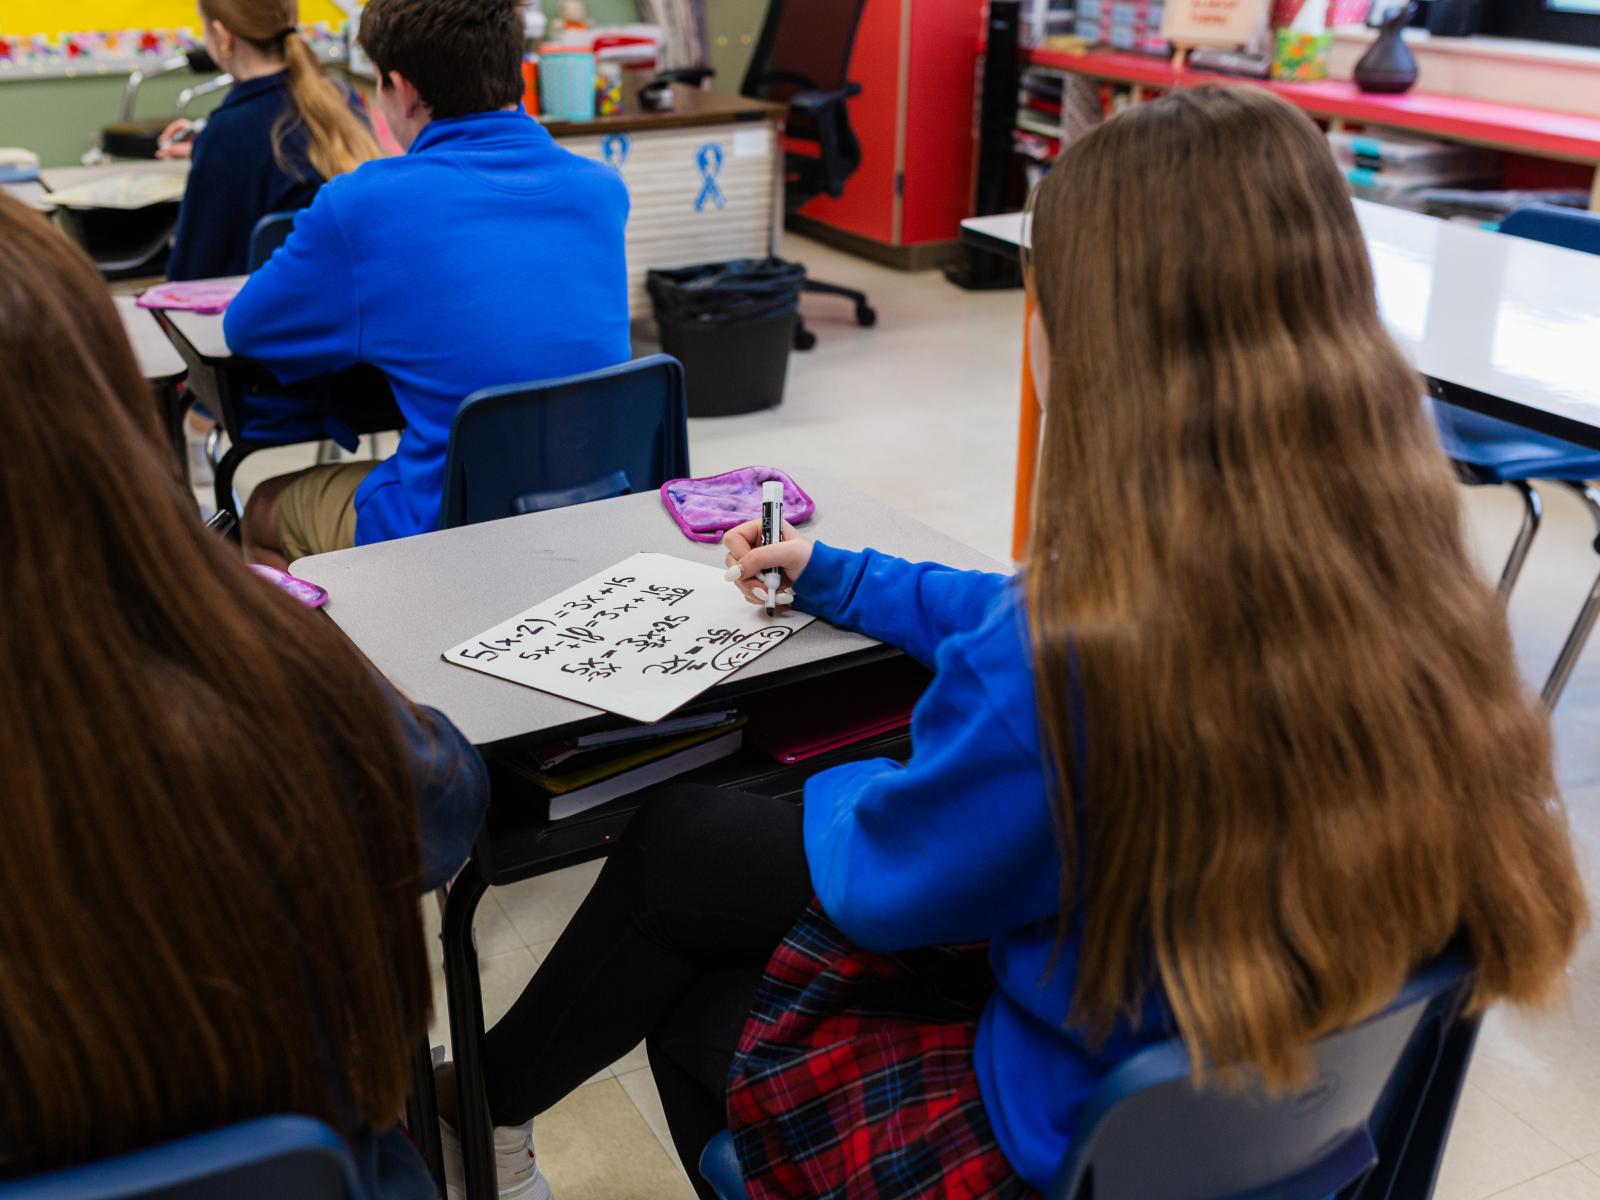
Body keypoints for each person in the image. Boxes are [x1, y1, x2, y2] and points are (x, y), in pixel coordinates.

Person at [436, 87, 1589, 1199]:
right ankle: (483, 1106)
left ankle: (480, 1112)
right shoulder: (1417, 605)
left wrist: (845, 784)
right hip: (1263, 1128)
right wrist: (845, 576)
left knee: (702, 957)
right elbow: (1033, 613)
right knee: (703, 854)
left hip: (1045, 1149)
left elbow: (887, 885)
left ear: (1086, 348)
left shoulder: (1060, 669)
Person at [0, 193, 488, 1199]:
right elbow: (448, 802)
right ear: (97, 411)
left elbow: (258, 329)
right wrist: (261, 616)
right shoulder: (269, 677)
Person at [223, 0, 631, 571]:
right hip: (602, 505)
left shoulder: (365, 203)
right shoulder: (601, 190)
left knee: (265, 504)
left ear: (402, 89)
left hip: (451, 530)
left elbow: (245, 330)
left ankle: (350, 658)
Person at [161, 0, 381, 281]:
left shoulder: (227, 133)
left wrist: (211, 152)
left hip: (266, 315)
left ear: (222, 35)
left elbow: (188, 277)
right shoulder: (340, 97)